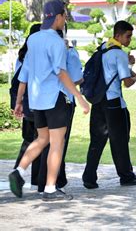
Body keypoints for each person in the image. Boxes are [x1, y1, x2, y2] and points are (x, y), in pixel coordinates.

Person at [10, 0, 90, 201]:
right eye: (64, 16)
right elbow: (61, 73)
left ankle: (19, 170)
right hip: (55, 99)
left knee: (42, 139)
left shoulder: (33, 40)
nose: (65, 20)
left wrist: (19, 101)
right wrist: (80, 98)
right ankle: (50, 189)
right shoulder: (57, 42)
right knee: (56, 144)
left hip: (37, 100)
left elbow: (24, 73)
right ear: (58, 17)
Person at [82, 20, 136, 188]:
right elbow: (126, 82)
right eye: (127, 36)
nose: (129, 39)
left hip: (99, 101)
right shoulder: (118, 53)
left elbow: (111, 70)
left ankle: (89, 177)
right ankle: (126, 176)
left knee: (97, 140)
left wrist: (128, 63)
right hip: (114, 102)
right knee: (120, 141)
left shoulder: (104, 48)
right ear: (118, 35)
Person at [37, 28, 83, 193]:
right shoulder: (69, 53)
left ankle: (45, 181)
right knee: (58, 144)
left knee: (45, 142)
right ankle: (52, 182)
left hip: (42, 101)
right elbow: (77, 78)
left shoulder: (40, 52)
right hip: (63, 99)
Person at [11, 23, 41, 188]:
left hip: (25, 101)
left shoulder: (22, 54)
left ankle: (18, 172)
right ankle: (32, 177)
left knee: (30, 139)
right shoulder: (34, 56)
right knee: (40, 139)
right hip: (35, 101)